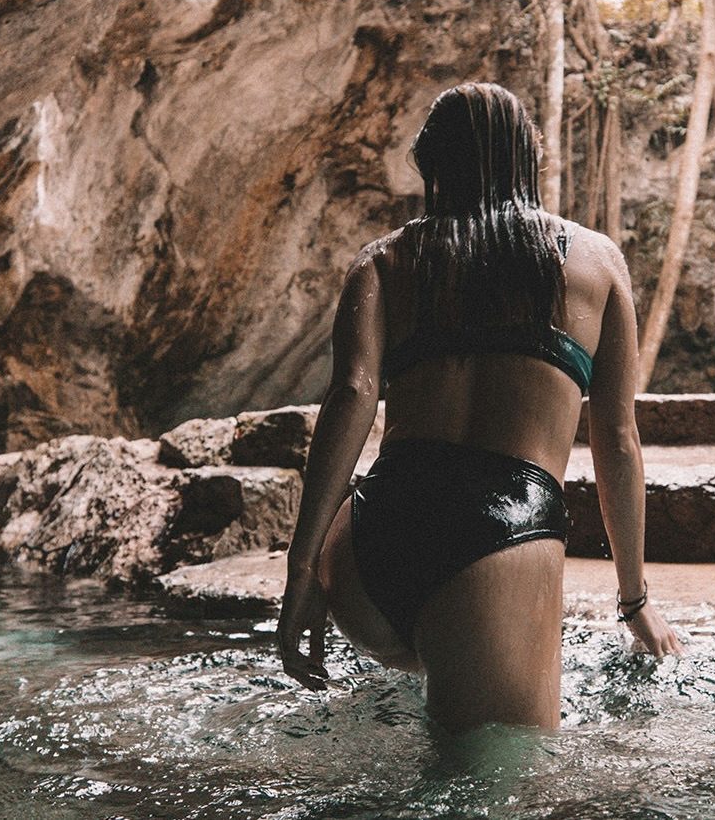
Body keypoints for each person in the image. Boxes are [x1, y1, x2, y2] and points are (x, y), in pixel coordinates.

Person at [277, 81, 681, 732]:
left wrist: (303, 574)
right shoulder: (596, 263)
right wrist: (634, 600)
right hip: (497, 543)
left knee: (437, 671)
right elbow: (617, 436)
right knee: (497, 789)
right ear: (531, 161)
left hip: (366, 550)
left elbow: (350, 397)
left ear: (433, 166)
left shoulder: (383, 261)